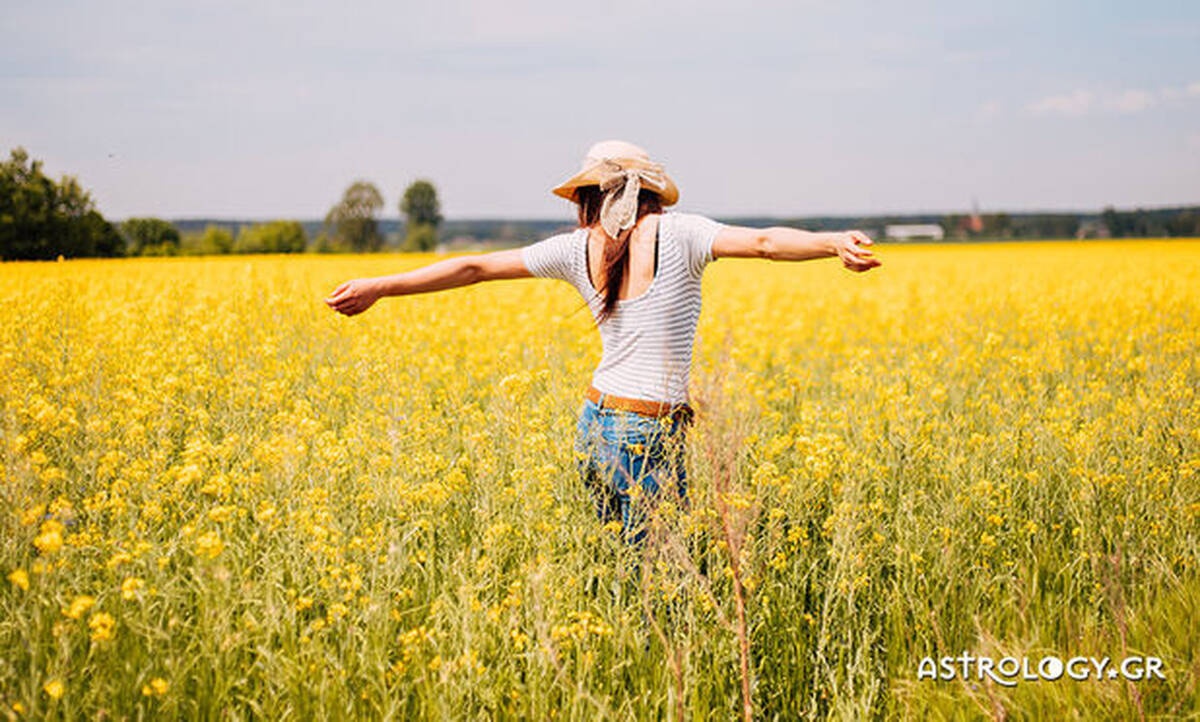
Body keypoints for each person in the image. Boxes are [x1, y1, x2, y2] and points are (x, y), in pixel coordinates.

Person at [324, 140, 880, 548]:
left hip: (594, 420)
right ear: (649, 192)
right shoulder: (680, 233)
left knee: (617, 563)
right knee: (665, 574)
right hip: (646, 429)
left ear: (589, 196)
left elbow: (473, 267)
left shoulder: (573, 249)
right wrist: (832, 242)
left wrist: (379, 286)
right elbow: (762, 242)